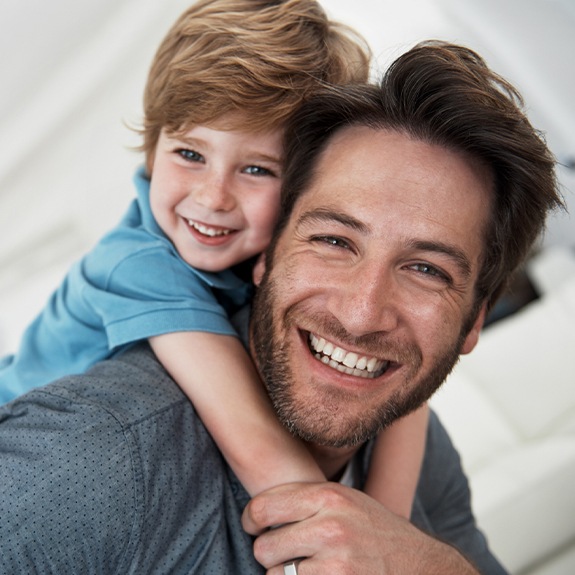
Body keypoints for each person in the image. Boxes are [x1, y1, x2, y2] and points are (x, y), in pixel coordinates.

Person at [0, 41, 562, 573]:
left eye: (427, 270)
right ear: (267, 253)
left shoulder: (417, 439)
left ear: (474, 320)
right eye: (335, 241)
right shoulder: (91, 454)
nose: (362, 315)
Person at [0, 0, 428, 526]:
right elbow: (264, 453)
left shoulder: (284, 258)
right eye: (190, 154)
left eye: (255, 168)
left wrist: (391, 528)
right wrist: (366, 542)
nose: (213, 197)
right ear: (154, 147)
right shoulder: (135, 265)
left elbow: (409, 389)